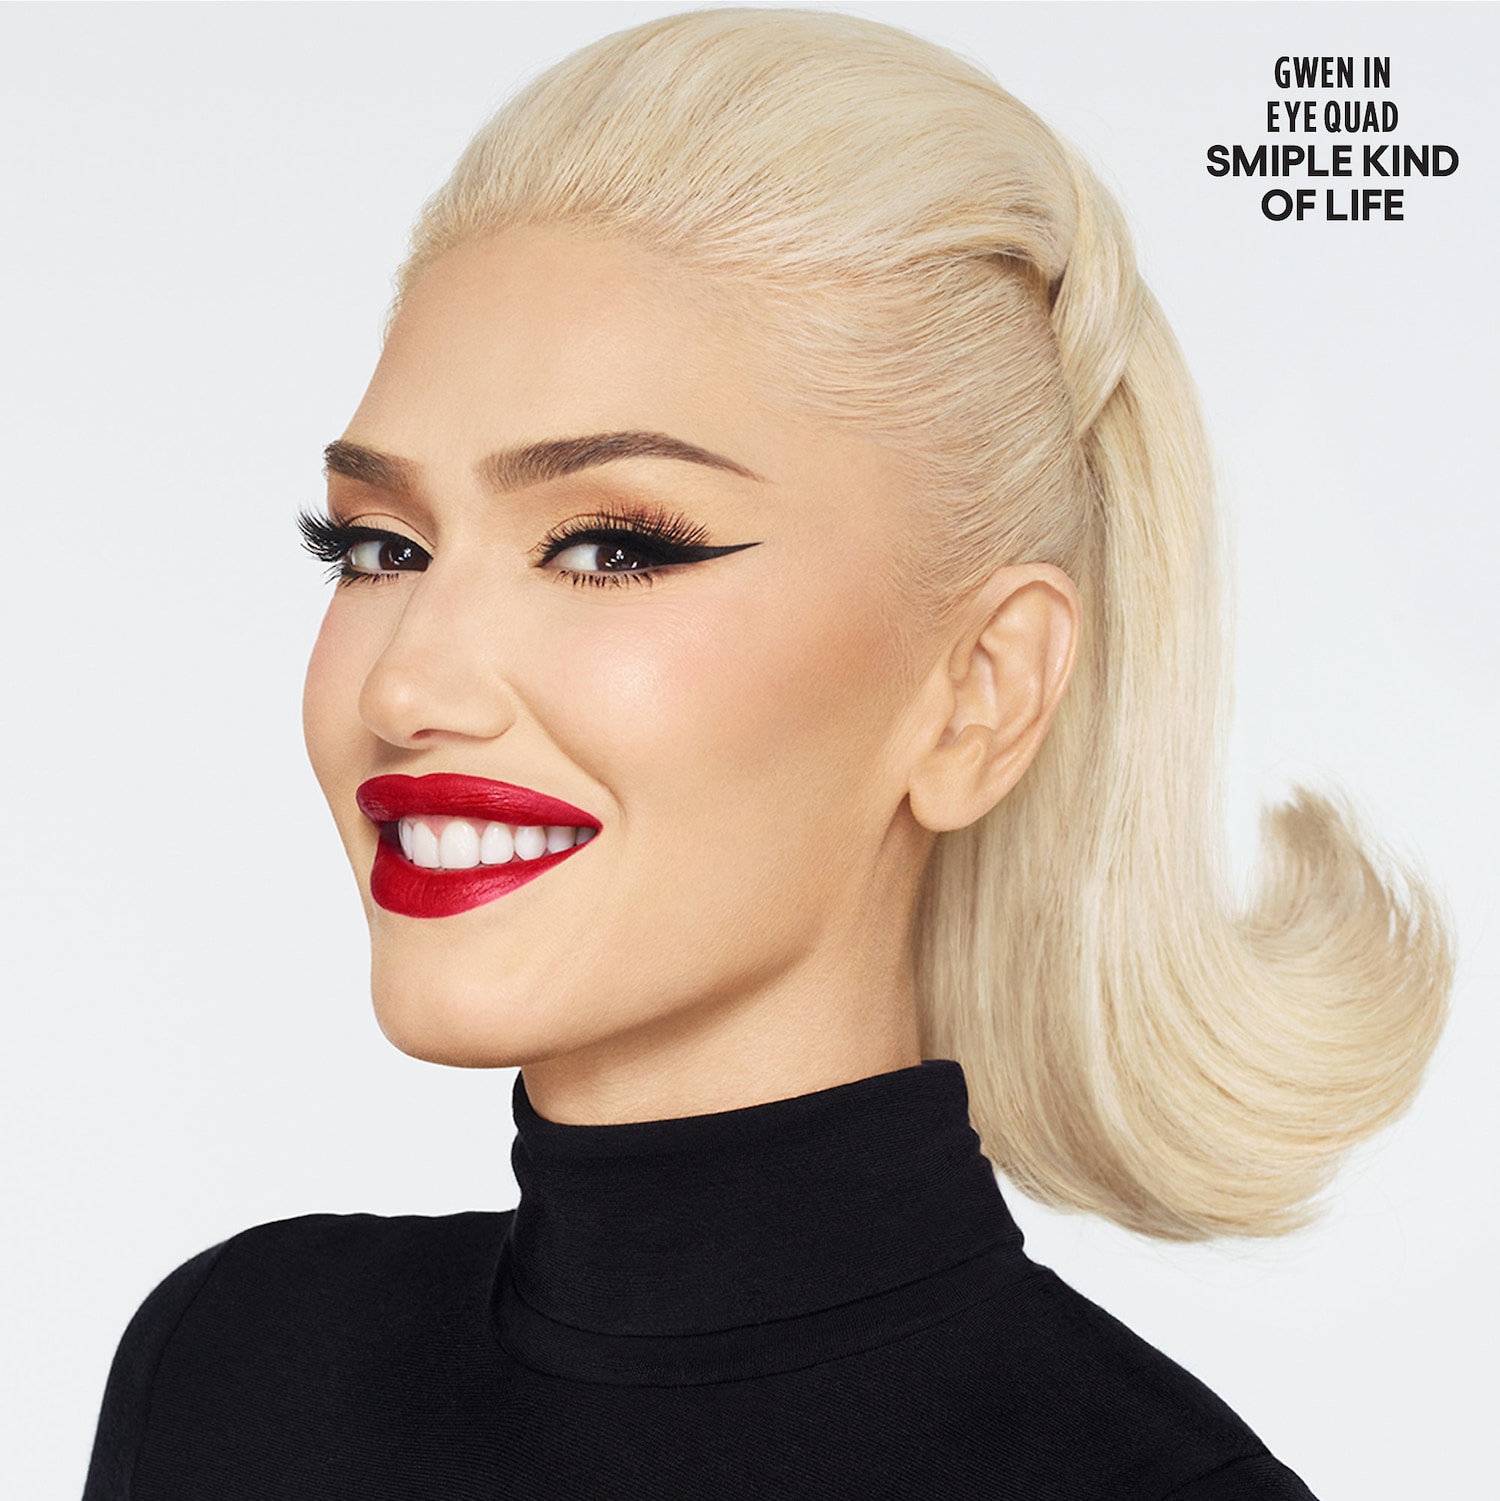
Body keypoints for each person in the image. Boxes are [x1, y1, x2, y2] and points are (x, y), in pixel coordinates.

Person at [81, 9, 1452, 1498]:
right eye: (380, 546)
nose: (408, 681)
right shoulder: (235, 1366)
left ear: (979, 693)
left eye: (609, 546)